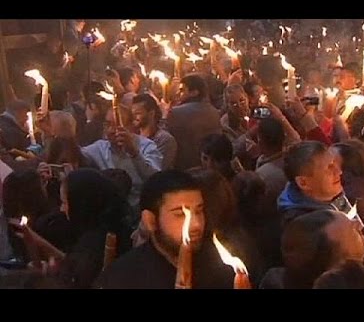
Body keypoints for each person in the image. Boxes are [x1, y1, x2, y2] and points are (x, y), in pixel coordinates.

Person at [95, 170, 235, 289]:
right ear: (150, 220)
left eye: (199, 211)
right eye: (180, 214)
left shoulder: (223, 266)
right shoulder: (124, 277)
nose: (196, 224)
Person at [278, 141, 364, 272]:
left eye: (335, 163)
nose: (339, 171)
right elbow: (355, 264)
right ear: (303, 182)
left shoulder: (333, 195)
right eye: (329, 167)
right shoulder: (306, 228)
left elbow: (361, 236)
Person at [8, 169, 133, 289]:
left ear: (81, 204)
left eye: (65, 202)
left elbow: (76, 279)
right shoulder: (106, 225)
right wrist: (36, 240)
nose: (62, 209)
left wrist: (46, 276)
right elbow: (73, 263)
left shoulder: (95, 244)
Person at [81, 104, 162, 218]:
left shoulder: (146, 146)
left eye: (117, 125)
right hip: (110, 213)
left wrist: (134, 153)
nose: (111, 130)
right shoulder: (100, 147)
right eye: (108, 124)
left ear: (131, 126)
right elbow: (77, 155)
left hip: (142, 210)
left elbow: (155, 179)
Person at [167, 74, 222, 170]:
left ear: (194, 92)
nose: (178, 94)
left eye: (182, 90)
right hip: (212, 167)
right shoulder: (214, 111)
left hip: (186, 168)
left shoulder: (176, 112)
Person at [131, 94, 177, 170]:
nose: (134, 117)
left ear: (151, 113)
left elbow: (157, 169)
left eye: (137, 113)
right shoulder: (133, 137)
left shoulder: (165, 140)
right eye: (132, 114)